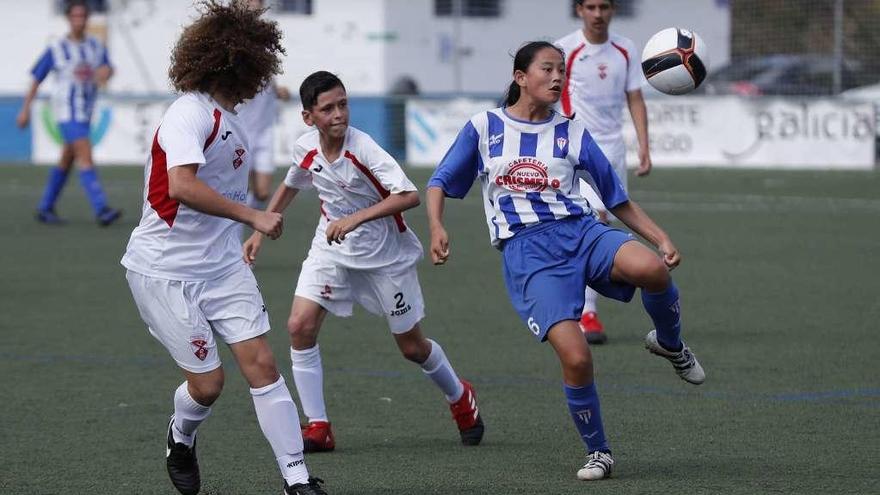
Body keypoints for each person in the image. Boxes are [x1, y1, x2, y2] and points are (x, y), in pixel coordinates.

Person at [426, 41, 704, 481]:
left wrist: (660, 237)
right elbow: (440, 181)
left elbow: (616, 198)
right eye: (547, 69)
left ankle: (671, 343)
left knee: (652, 268)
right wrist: (438, 226)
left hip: (581, 232)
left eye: (560, 70)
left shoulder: (571, 132)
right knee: (576, 358)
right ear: (521, 77)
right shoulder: (485, 127)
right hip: (529, 254)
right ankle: (600, 452)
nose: (557, 78)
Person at [120, 2, 327, 494]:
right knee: (208, 386)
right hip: (164, 271)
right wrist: (253, 215)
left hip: (223, 267)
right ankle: (181, 434)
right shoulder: (186, 114)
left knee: (262, 364)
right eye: (254, 68)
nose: (259, 80)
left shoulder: (228, 116)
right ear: (236, 67)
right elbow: (181, 187)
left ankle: (296, 479)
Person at [243, 71, 484, 453]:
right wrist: (259, 229)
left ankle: (459, 396)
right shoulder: (306, 147)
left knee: (412, 347)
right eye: (328, 109)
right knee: (299, 326)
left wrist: (355, 219)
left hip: (385, 257)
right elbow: (292, 182)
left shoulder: (364, 148)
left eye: (343, 104)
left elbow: (408, 195)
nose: (339, 114)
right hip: (330, 250)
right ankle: (318, 426)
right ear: (309, 117)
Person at [555, 0, 652, 344]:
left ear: (613, 11)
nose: (598, 14)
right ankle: (586, 313)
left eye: (605, 6)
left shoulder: (625, 49)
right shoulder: (565, 49)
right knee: (590, 220)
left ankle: (581, 308)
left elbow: (635, 98)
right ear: (579, 9)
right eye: (591, 7)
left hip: (612, 152)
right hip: (575, 150)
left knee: (601, 224)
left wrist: (644, 145)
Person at [16, 0, 121, 226]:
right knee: (85, 153)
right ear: (68, 19)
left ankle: (45, 207)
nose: (79, 21)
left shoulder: (95, 46)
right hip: (66, 112)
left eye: (83, 16)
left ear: (87, 19)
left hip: (86, 112)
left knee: (67, 158)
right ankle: (101, 208)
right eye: (75, 16)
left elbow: (107, 68)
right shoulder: (56, 49)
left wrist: (107, 72)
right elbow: (36, 79)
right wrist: (25, 110)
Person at [238, 0, 291, 211]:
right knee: (237, 186)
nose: (256, 4)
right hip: (241, 130)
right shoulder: (234, 38)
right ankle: (241, 214)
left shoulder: (264, 40)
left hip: (264, 130)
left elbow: (268, 75)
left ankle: (248, 211)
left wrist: (278, 91)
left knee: (262, 192)